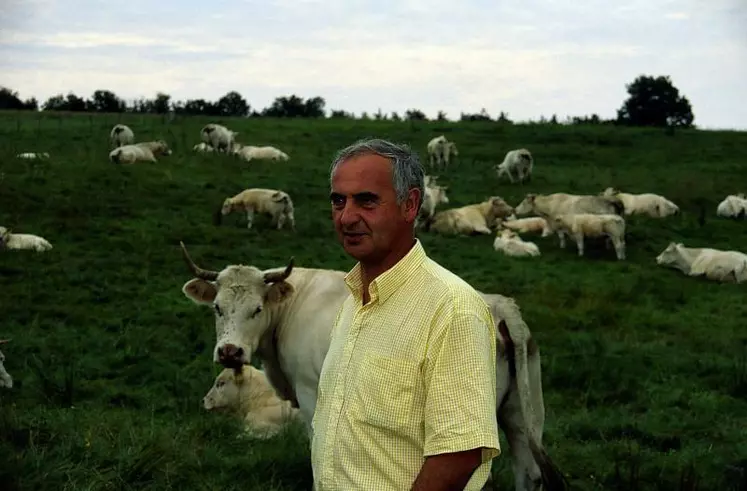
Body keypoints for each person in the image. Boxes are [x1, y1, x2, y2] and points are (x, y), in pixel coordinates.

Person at [311, 138, 500, 491]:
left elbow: (459, 452)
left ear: (410, 204)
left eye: (366, 201)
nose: (347, 217)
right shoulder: (353, 300)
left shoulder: (452, 308)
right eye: (338, 200)